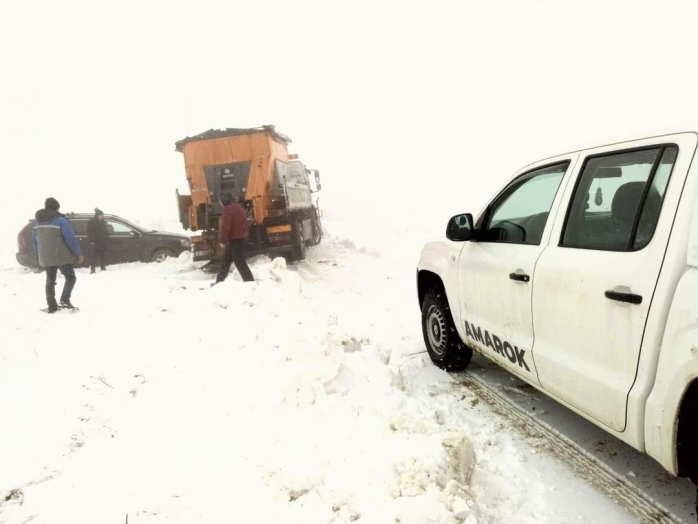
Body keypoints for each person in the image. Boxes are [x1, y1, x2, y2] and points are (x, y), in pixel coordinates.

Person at [32, 197, 84, 312]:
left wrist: (39, 255)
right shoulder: (61, 221)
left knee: (50, 280)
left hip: (46, 257)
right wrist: (78, 254)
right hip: (61, 256)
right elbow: (70, 239)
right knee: (70, 278)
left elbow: (35, 241)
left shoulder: (36, 223)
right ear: (56, 207)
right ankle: (65, 300)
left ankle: (52, 305)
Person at [214, 192, 254, 284]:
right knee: (226, 262)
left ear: (225, 201)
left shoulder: (228, 209)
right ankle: (219, 282)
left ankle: (250, 282)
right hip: (241, 238)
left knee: (240, 262)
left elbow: (226, 226)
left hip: (235, 240)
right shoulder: (239, 207)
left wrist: (222, 241)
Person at [87, 207, 109, 273]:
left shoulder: (103, 222)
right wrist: (92, 240)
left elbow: (105, 231)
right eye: (100, 215)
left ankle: (103, 267)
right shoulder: (92, 222)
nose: (102, 216)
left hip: (103, 241)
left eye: (102, 215)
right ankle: (93, 269)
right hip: (96, 242)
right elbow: (89, 232)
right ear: (97, 216)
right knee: (94, 256)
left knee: (103, 255)